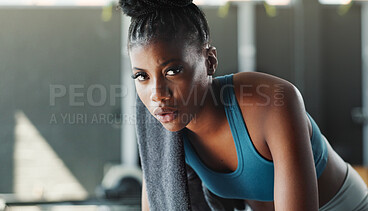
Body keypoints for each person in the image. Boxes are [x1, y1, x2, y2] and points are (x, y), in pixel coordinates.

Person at [118, 0, 368, 210]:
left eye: (173, 70)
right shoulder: (160, 121)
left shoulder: (272, 101)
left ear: (210, 61)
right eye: (142, 76)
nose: (157, 94)